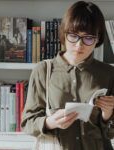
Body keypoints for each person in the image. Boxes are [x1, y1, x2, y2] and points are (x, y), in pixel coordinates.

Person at [21, 1, 114, 150]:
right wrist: (50, 122)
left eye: (88, 38)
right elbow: (27, 123)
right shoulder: (43, 70)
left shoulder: (109, 73)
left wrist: (107, 114)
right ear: (64, 33)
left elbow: (110, 133)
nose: (79, 45)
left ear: (98, 39)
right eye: (73, 36)